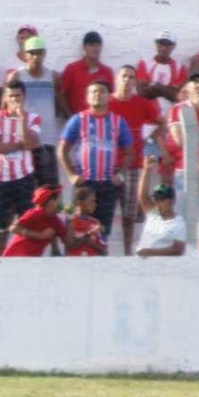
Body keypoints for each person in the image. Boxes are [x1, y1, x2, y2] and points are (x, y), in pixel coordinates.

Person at [58, 81, 133, 237]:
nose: (97, 94)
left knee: (102, 230)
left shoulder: (118, 122)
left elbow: (129, 152)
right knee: (77, 228)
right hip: (85, 184)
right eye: (93, 92)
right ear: (87, 97)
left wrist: (120, 175)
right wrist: (72, 175)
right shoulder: (78, 120)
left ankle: (102, 259)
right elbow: (62, 150)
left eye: (102, 91)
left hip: (107, 185)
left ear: (109, 96)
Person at [108, 65, 165, 255]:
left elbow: (162, 122)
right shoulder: (107, 102)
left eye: (131, 77)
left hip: (132, 166)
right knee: (104, 210)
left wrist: (149, 139)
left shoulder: (141, 103)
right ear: (117, 79)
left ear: (135, 81)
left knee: (129, 214)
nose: (127, 80)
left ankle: (127, 252)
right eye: (124, 76)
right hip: (107, 166)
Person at [0, 80, 41, 255]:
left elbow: (31, 144)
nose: (14, 99)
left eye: (17, 95)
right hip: (1, 178)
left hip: (24, 176)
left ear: (23, 96)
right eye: (11, 96)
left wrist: (22, 118)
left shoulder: (33, 118)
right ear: (5, 97)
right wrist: (21, 144)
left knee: (27, 220)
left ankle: (27, 258)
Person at [6, 36, 65, 186]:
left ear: (44, 54)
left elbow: (58, 104)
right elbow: (6, 106)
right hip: (24, 140)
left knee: (49, 189)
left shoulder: (53, 76)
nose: (35, 57)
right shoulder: (17, 76)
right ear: (25, 55)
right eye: (31, 53)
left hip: (47, 139)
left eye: (39, 53)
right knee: (25, 188)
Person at [135, 158, 186, 257]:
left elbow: (177, 249)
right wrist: (147, 170)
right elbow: (142, 196)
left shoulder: (178, 222)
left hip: (165, 268)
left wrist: (150, 252)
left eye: (162, 199)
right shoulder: (153, 214)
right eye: (156, 198)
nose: (157, 202)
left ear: (172, 201)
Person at [60, 31, 115, 117]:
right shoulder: (72, 69)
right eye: (92, 45)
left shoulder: (107, 71)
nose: (95, 48)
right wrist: (70, 117)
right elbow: (62, 94)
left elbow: (111, 98)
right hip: (78, 122)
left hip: (100, 122)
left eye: (98, 45)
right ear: (84, 47)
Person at [2, 186, 65, 257]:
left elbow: (68, 242)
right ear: (49, 203)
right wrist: (40, 235)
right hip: (15, 255)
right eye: (58, 199)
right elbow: (13, 228)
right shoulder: (35, 214)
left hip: (32, 259)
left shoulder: (55, 220)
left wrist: (71, 219)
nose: (61, 203)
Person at [136, 31, 187, 119]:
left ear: (173, 46)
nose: (163, 48)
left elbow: (177, 96)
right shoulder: (144, 63)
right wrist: (167, 90)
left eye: (167, 45)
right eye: (161, 44)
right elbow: (142, 93)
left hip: (170, 117)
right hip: (147, 116)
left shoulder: (180, 68)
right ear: (156, 44)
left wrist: (156, 87)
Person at [65, 186, 108, 257]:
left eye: (95, 201)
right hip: (74, 264)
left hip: (91, 265)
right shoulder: (71, 221)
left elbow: (104, 252)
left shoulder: (96, 223)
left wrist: (93, 245)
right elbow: (70, 245)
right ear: (80, 203)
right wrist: (85, 239)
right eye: (92, 201)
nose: (95, 204)